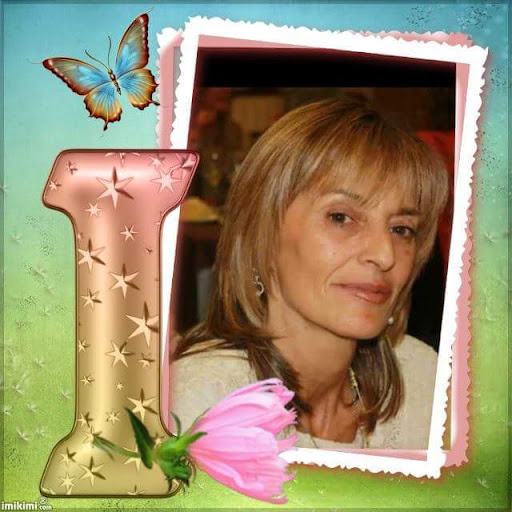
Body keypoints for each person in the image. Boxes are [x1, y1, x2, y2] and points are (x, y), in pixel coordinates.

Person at [170, 97, 449, 450]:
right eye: (341, 218)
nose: (385, 255)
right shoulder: (200, 407)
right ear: (262, 233)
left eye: (402, 229)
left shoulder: (423, 377)